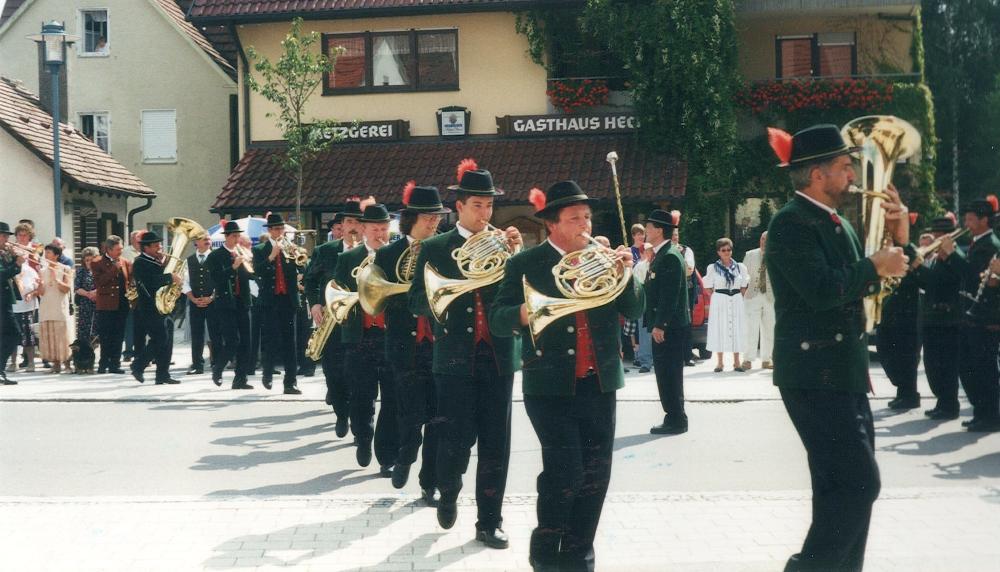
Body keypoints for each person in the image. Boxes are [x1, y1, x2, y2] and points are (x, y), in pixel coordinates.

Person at [766, 123, 909, 571]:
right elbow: (823, 289)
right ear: (816, 174)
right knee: (859, 485)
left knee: (838, 491)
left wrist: (899, 239)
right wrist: (872, 265)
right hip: (816, 373)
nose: (852, 175)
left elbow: (873, 286)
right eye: (845, 167)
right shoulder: (791, 221)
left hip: (839, 372)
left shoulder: (835, 221)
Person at [490, 181, 642, 571]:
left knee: (597, 473)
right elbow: (499, 317)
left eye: (587, 217)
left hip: (599, 381)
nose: (584, 224)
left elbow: (635, 308)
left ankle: (579, 552)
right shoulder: (525, 264)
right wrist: (524, 314)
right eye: (575, 218)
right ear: (553, 224)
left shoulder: (604, 258)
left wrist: (629, 272)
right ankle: (545, 547)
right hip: (549, 385)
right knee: (565, 471)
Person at [408, 159, 522, 549]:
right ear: (459, 207)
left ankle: (489, 522)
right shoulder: (436, 247)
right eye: (477, 205)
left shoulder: (504, 246)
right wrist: (453, 291)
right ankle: (449, 488)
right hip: (454, 357)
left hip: (499, 356)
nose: (485, 214)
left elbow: (518, 296)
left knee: (496, 444)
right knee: (456, 440)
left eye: (489, 206)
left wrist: (516, 259)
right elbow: (416, 300)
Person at [377, 184, 450, 502]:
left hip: (438, 344)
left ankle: (428, 482)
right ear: (411, 219)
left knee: (437, 418)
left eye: (437, 218)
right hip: (404, 346)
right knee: (410, 414)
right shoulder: (389, 253)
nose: (434, 223)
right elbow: (376, 300)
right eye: (428, 218)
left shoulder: (444, 249)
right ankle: (406, 456)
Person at [334, 203, 398, 476]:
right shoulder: (348, 258)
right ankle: (363, 436)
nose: (381, 234)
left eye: (385, 229)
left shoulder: (396, 255)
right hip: (360, 337)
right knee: (361, 397)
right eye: (375, 229)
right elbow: (337, 293)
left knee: (392, 399)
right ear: (362, 229)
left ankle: (387, 456)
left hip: (390, 336)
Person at [938, 195, 1000, 431]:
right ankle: (980, 412)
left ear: (984, 220)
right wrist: (946, 259)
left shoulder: (990, 245)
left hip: (985, 318)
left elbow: (973, 274)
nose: (966, 222)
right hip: (970, 314)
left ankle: (989, 415)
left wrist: (953, 254)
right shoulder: (977, 242)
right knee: (970, 368)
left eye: (971, 218)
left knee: (983, 369)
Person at [304, 202, 363, 436]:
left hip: (360, 321)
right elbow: (310, 280)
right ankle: (341, 414)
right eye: (350, 222)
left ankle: (361, 425)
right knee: (333, 373)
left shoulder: (373, 252)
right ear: (342, 225)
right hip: (331, 323)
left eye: (359, 223)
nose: (354, 227)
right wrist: (315, 303)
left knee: (359, 376)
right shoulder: (326, 250)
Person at [642, 209, 691, 435]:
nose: (645, 230)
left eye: (649, 227)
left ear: (660, 230)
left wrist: (660, 324)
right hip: (667, 325)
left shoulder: (669, 255)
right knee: (665, 372)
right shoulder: (662, 253)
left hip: (669, 327)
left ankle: (676, 418)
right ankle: (673, 415)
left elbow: (670, 295)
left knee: (669, 373)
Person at [911, 216, 963, 419]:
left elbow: (943, 281)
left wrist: (919, 268)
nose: (936, 237)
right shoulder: (937, 257)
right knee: (933, 365)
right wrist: (916, 271)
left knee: (946, 366)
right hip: (933, 318)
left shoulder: (953, 255)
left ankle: (949, 405)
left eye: (940, 234)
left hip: (947, 319)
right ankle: (942, 401)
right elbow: (928, 284)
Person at [252, 214, 302, 394]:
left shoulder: (292, 248)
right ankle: (267, 374)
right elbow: (257, 271)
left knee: (291, 342)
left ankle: (291, 382)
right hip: (270, 300)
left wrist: (297, 257)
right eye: (275, 229)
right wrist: (272, 256)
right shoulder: (260, 249)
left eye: (281, 228)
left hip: (288, 300)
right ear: (269, 231)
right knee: (271, 340)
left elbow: (303, 267)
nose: (279, 232)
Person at [206, 221, 254, 389]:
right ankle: (217, 368)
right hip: (226, 303)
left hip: (243, 302)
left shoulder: (242, 253)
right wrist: (233, 267)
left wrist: (249, 263)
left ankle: (240, 380)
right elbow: (215, 279)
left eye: (238, 236)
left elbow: (251, 276)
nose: (237, 239)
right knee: (233, 340)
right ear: (226, 237)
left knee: (246, 342)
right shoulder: (215, 256)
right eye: (234, 236)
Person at [130, 231, 182, 385]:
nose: (160, 247)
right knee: (160, 338)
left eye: (160, 244)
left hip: (163, 307)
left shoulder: (157, 261)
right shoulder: (140, 262)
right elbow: (149, 282)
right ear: (146, 248)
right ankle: (138, 365)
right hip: (150, 308)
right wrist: (169, 277)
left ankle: (163, 374)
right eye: (156, 245)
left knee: (167, 341)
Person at [704, 238, 749, 372]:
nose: (727, 252)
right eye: (723, 250)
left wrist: (735, 295)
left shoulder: (740, 267)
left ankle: (736, 362)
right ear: (718, 252)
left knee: (736, 329)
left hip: (736, 299)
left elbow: (743, 286)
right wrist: (720, 296)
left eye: (729, 250)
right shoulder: (713, 268)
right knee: (719, 328)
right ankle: (720, 362)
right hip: (720, 300)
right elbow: (708, 287)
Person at [91, 235, 131, 374]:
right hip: (106, 304)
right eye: (117, 249)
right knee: (106, 335)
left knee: (118, 335)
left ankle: (115, 364)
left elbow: (129, 281)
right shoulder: (97, 262)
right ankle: (103, 364)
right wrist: (114, 268)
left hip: (122, 303)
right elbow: (99, 282)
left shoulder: (125, 261)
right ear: (108, 249)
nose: (120, 252)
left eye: (121, 249)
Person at [183, 235, 217, 375]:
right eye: (203, 238)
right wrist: (193, 298)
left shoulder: (215, 258)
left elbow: (220, 280)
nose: (207, 240)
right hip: (195, 302)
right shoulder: (189, 260)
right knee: (197, 334)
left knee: (215, 332)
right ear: (196, 242)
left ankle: (217, 363)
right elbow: (185, 282)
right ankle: (197, 364)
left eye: (208, 238)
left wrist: (211, 297)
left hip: (212, 302)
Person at [741, 232, 775, 370]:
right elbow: (743, 274)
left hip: (770, 296)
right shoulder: (750, 254)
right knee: (751, 328)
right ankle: (748, 359)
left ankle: (767, 359)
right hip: (752, 295)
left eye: (767, 239)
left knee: (769, 328)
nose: (764, 241)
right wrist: (743, 289)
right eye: (762, 238)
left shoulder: (777, 255)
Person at [37, 244, 73, 372]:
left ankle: (67, 363)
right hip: (46, 306)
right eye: (45, 253)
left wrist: (56, 278)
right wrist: (39, 285)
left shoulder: (65, 269)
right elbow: (40, 292)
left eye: (49, 253)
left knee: (62, 335)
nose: (46, 255)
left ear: (57, 255)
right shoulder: (42, 270)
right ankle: (56, 363)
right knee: (50, 335)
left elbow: (67, 288)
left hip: (59, 306)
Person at [671, 225, 698, 366]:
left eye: (676, 234)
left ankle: (687, 357)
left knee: (686, 325)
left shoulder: (686, 250)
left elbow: (689, 270)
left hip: (685, 293)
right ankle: (675, 357)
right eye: (672, 235)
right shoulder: (662, 251)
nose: (674, 237)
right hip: (669, 292)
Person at [10, 249, 40, 372]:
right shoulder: (10, 269)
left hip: (27, 308)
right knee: (11, 336)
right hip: (11, 307)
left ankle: (31, 362)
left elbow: (38, 288)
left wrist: (31, 294)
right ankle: (13, 362)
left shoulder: (30, 271)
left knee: (29, 336)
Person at [0, 221, 22, 384]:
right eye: (4, 235)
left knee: (8, 336)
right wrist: (16, 263)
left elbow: (11, 270)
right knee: (14, 334)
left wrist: (15, 258)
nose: (7, 239)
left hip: (5, 300)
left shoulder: (2, 252)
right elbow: (2, 274)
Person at [74, 247, 100, 372]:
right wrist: (88, 294)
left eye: (92, 259)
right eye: (87, 260)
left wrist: (96, 293)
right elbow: (77, 287)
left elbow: (104, 285)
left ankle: (92, 361)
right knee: (84, 334)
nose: (89, 262)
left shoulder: (100, 271)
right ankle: (83, 362)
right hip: (85, 304)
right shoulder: (80, 271)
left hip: (98, 303)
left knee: (95, 333)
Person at [121, 230, 142, 362]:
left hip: (144, 290)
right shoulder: (126, 252)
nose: (140, 242)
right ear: (133, 240)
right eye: (138, 240)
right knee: (130, 322)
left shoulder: (146, 252)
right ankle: (128, 351)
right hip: (131, 290)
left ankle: (143, 351)